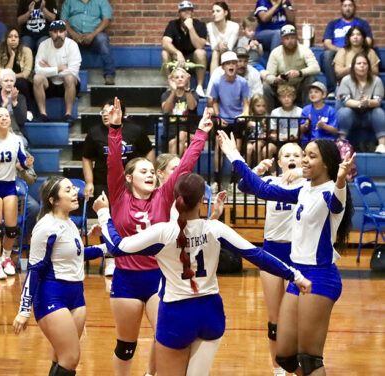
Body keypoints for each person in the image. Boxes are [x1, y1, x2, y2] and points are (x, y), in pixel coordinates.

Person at [94, 171, 311, 376]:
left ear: (175, 199)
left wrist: (104, 214)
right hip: (210, 313)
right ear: (201, 201)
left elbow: (117, 247)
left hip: (176, 314)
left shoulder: (162, 232)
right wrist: (296, 276)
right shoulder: (215, 229)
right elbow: (258, 256)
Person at [220, 130, 355, 376]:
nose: (304, 160)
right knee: (285, 356)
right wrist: (233, 155)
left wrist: (341, 180)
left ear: (326, 162)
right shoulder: (304, 190)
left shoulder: (330, 192)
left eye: (310, 156)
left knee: (310, 358)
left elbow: (337, 200)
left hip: (320, 278)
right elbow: (261, 188)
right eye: (304, 155)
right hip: (298, 274)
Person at [105, 98, 212, 376]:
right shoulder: (118, 196)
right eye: (143, 171)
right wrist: (115, 129)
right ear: (129, 178)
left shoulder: (163, 197)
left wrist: (200, 132)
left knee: (164, 339)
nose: (150, 175)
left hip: (158, 277)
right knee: (125, 346)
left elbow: (184, 166)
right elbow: (114, 162)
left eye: (153, 171)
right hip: (126, 279)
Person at [12, 176, 107, 376]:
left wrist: (105, 248)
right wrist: (23, 310)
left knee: (61, 358)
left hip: (76, 295)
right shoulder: (46, 226)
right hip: (52, 295)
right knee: (71, 358)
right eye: (68, 190)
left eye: (74, 188)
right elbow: (35, 269)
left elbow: (77, 254)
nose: (75, 192)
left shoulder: (70, 223)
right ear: (53, 200)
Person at [242, 142, 306, 376]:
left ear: (303, 160)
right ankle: (277, 369)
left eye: (296, 155)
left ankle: (296, 363)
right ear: (279, 162)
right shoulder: (270, 182)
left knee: (295, 315)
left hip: (297, 254)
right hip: (270, 251)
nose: (292, 158)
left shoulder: (309, 185)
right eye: (286, 155)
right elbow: (243, 185)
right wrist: (258, 170)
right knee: (274, 319)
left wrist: (300, 173)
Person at [0, 107, 34, 279]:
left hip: (10, 185)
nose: (4, 119)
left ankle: (6, 258)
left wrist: (27, 163)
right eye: (0, 116)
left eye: (6, 116)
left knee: (11, 229)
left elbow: (23, 161)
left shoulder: (16, 140)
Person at [83, 99, 154, 215]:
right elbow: (86, 157)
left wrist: (148, 173)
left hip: (131, 182)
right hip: (103, 181)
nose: (105, 114)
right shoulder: (94, 133)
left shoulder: (135, 131)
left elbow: (148, 151)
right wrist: (89, 182)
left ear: (119, 113)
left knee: (130, 215)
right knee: (107, 216)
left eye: (109, 111)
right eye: (103, 112)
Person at [209, 51, 250, 180]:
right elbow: (214, 102)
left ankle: (234, 179)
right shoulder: (216, 82)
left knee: (236, 149)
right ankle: (217, 179)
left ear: (237, 66)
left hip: (238, 120)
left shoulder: (243, 82)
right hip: (223, 120)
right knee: (219, 148)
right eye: (228, 64)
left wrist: (245, 115)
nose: (231, 66)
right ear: (223, 67)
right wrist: (218, 117)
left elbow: (246, 103)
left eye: (233, 63)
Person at [263, 25, 320, 112]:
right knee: (266, 86)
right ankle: (268, 117)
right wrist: (276, 80)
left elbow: (316, 68)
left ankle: (308, 115)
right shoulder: (275, 52)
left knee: (311, 79)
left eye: (292, 38)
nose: (290, 41)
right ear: (282, 40)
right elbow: (268, 75)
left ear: (296, 38)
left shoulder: (304, 50)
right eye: (287, 38)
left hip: (299, 87)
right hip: (281, 87)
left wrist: (299, 72)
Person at [33, 20, 82, 123]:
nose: (58, 34)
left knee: (69, 77)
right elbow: (38, 70)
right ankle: (43, 114)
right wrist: (59, 68)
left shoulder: (72, 45)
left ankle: (68, 114)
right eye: (55, 32)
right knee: (37, 78)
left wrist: (49, 68)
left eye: (61, 31)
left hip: (68, 84)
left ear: (65, 33)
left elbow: (73, 71)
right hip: (50, 83)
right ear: (50, 33)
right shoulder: (43, 45)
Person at [322, 0, 373, 96]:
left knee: (368, 53)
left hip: (357, 50)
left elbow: (369, 40)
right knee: (327, 54)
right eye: (345, 6)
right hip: (337, 51)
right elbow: (327, 42)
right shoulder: (333, 24)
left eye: (350, 6)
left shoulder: (362, 23)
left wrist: (355, 47)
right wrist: (340, 50)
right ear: (341, 8)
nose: (348, 8)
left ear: (354, 8)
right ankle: (333, 90)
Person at [336, 53, 385, 153]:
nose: (362, 66)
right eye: (359, 63)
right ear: (353, 66)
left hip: (369, 115)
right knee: (345, 112)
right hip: (352, 115)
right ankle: (341, 143)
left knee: (379, 111)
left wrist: (368, 102)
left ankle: (382, 144)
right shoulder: (346, 80)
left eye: (365, 63)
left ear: (368, 66)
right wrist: (360, 103)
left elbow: (378, 101)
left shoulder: (377, 81)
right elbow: (346, 101)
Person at [60, 0, 115, 85]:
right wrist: (74, 34)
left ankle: (109, 75)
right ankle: (61, 74)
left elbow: (106, 20)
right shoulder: (69, 1)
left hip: (94, 35)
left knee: (102, 39)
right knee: (63, 38)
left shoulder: (102, 1)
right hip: (73, 35)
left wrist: (92, 34)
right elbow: (63, 20)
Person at [161, 1, 207, 97]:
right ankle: (171, 84)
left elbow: (200, 45)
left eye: (189, 10)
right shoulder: (173, 24)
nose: (186, 12)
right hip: (177, 58)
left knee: (201, 53)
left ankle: (199, 87)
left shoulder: (200, 25)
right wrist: (178, 53)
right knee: (164, 53)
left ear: (192, 12)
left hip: (193, 58)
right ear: (179, 12)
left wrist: (190, 28)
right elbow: (165, 42)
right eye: (183, 10)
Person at [0, 27, 34, 111]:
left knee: (21, 83)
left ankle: (28, 111)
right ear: (6, 39)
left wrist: (10, 78)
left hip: (24, 81)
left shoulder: (26, 51)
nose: (13, 39)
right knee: (0, 85)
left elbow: (26, 73)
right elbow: (1, 74)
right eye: (10, 37)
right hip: (4, 82)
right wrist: (12, 56)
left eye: (16, 37)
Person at [161, 68, 198, 156]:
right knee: (182, 146)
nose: (180, 79)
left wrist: (186, 90)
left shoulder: (192, 93)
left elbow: (192, 107)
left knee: (182, 134)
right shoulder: (166, 95)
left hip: (190, 132)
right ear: (172, 80)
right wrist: (173, 92)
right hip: (172, 132)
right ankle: (178, 168)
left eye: (182, 77)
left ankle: (173, 166)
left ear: (187, 79)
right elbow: (166, 110)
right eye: (177, 77)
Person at [0, 69, 29, 146]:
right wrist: (4, 104)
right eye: (6, 81)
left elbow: (22, 120)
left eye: (11, 81)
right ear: (0, 83)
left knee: (19, 143)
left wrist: (14, 102)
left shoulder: (21, 98)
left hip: (16, 134)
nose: (9, 83)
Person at [206, 2, 239, 74]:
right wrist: (219, 45)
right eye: (213, 11)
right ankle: (213, 82)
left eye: (218, 11)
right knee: (215, 52)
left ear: (225, 13)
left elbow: (230, 46)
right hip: (215, 54)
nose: (214, 14)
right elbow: (213, 46)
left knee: (223, 51)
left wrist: (222, 46)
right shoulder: (209, 26)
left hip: (231, 53)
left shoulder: (234, 26)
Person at [245, 94, 275, 166]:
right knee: (248, 148)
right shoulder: (248, 117)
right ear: (253, 106)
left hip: (262, 140)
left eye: (263, 106)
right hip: (250, 139)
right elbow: (244, 132)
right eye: (258, 106)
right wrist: (246, 124)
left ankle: (259, 168)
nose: (261, 108)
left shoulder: (267, 117)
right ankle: (247, 170)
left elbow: (270, 132)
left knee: (256, 145)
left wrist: (265, 135)